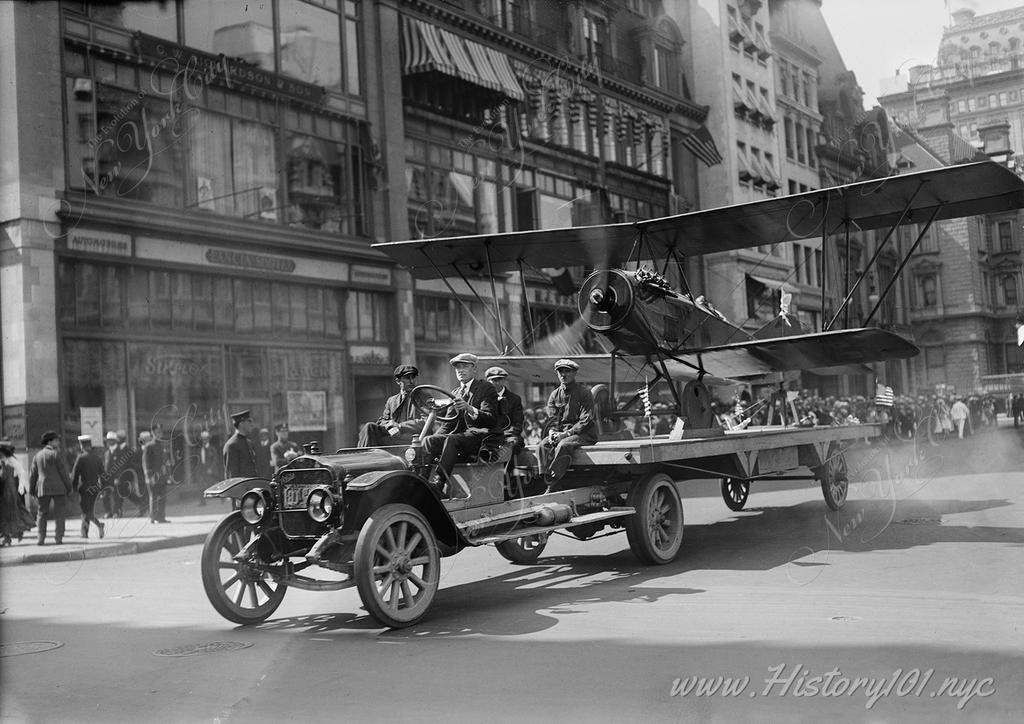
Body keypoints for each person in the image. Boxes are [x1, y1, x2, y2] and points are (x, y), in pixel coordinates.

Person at [422, 353, 500, 496]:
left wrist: (468, 408)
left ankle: (439, 482)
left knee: (452, 439)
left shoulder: (486, 388)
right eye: (457, 367)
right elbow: (448, 425)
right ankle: (422, 480)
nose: (460, 370)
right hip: (462, 438)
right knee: (428, 440)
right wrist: (435, 439)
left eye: (465, 366)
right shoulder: (455, 393)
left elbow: (490, 419)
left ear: (475, 369)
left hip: (481, 437)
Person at [536, 359, 598, 486]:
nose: (563, 375)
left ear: (574, 373)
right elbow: (552, 419)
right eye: (560, 372)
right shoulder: (554, 395)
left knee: (563, 445)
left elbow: (585, 421)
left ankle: (555, 477)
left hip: (585, 434)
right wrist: (553, 432)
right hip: (562, 433)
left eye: (567, 371)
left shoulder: (585, 393)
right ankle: (544, 476)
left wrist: (565, 434)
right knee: (542, 445)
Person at [358, 364, 428, 447]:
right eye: (407, 378)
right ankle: (364, 457)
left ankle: (366, 457)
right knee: (369, 427)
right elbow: (383, 420)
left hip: (413, 437)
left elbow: (427, 421)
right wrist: (390, 427)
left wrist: (399, 426)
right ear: (398, 381)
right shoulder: (392, 401)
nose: (411, 381)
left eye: (413, 377)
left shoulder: (423, 397)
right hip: (394, 434)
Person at [28, 430, 73, 545]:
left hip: (43, 488)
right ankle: (59, 538)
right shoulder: (56, 454)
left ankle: (40, 538)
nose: (58, 442)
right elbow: (64, 473)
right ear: (50, 441)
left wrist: (32, 490)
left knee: (41, 513)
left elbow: (33, 475)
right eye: (56, 440)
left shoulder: (37, 456)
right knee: (60, 513)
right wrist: (69, 487)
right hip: (59, 488)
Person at [70, 435, 105, 539]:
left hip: (84, 489)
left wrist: (74, 488)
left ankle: (95, 527)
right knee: (88, 510)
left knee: (86, 511)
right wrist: (103, 489)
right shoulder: (97, 458)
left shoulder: (81, 458)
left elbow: (75, 475)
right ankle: (85, 532)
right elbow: (103, 474)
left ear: (82, 445)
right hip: (95, 488)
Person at [484, 366, 525, 454]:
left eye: (499, 380)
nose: (496, 383)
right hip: (488, 435)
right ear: (488, 381)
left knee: (511, 444)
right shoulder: (484, 398)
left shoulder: (514, 399)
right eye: (493, 380)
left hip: (508, 435)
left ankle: (508, 468)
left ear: (504, 380)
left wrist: (504, 435)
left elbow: (517, 424)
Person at [1, 440, 34, 545]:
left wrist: (21, 486)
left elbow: (22, 472)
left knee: (13, 511)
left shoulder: (11, 460)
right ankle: (7, 537)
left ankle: (17, 531)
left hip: (9, 489)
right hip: (2, 490)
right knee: (3, 515)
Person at [141, 429, 169, 523]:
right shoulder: (149, 446)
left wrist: (167, 474)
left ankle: (161, 517)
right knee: (153, 497)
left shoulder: (162, 445)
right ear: (153, 434)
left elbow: (165, 461)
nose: (159, 434)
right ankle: (153, 517)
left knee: (163, 497)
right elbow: (146, 462)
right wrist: (149, 476)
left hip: (162, 476)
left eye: (160, 432)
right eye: (157, 432)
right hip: (153, 477)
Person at [223, 409, 258, 479]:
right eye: (249, 421)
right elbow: (231, 475)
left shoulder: (249, 443)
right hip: (241, 488)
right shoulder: (232, 445)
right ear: (241, 423)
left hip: (252, 486)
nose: (252, 424)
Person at [100, 430, 124, 519]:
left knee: (116, 496)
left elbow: (121, 466)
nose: (109, 442)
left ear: (115, 441)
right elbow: (104, 466)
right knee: (105, 495)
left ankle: (116, 512)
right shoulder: (107, 452)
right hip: (107, 478)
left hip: (115, 478)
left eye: (111, 440)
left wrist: (118, 477)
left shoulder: (119, 452)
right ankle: (108, 511)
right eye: (108, 440)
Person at [193, 430, 219, 505]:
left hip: (210, 470)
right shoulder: (200, 449)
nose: (204, 440)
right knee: (201, 485)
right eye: (203, 439)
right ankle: (202, 501)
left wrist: (211, 468)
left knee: (211, 484)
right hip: (202, 469)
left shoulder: (212, 449)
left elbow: (215, 459)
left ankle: (219, 500)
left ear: (208, 439)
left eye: (206, 439)